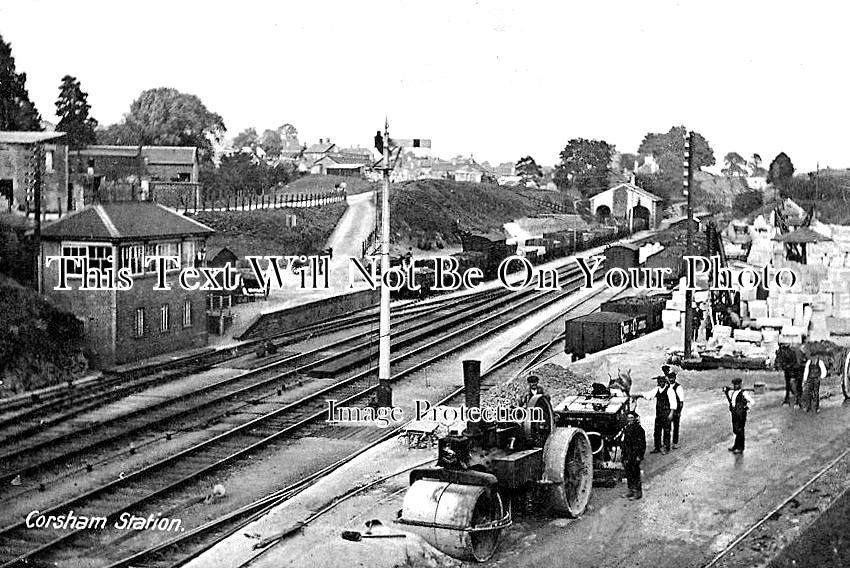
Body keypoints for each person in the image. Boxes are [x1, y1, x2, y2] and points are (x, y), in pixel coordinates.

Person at [632, 375, 677, 454]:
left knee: (666, 431)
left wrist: (671, 413)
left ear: (665, 382)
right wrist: (638, 395)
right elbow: (649, 395)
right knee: (657, 431)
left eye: (662, 382)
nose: (661, 383)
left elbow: (673, 403)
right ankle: (657, 447)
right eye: (659, 382)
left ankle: (666, 447)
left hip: (666, 414)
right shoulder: (657, 389)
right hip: (659, 414)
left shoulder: (670, 390)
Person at [724, 378, 754, 453]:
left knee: (740, 430)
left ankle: (740, 448)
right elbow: (732, 401)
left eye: (737, 384)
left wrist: (746, 407)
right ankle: (736, 446)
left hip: (741, 414)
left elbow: (752, 401)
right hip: (734, 413)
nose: (735, 386)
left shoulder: (743, 393)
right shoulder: (734, 392)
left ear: (740, 384)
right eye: (734, 384)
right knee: (736, 430)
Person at [621, 411, 646, 500]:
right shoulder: (626, 429)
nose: (630, 419)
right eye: (628, 418)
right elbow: (624, 443)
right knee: (628, 473)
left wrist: (640, 455)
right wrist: (623, 455)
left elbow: (642, 444)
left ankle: (638, 493)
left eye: (631, 418)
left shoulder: (639, 430)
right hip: (627, 455)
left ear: (635, 419)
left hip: (635, 455)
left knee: (635, 473)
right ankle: (630, 491)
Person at [667, 367, 685, 449]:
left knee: (676, 427)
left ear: (675, 378)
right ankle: (666, 444)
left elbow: (681, 402)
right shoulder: (666, 386)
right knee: (667, 427)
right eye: (670, 377)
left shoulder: (678, 387)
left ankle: (675, 443)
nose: (671, 379)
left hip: (676, 410)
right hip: (668, 410)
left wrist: (679, 412)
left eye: (672, 377)